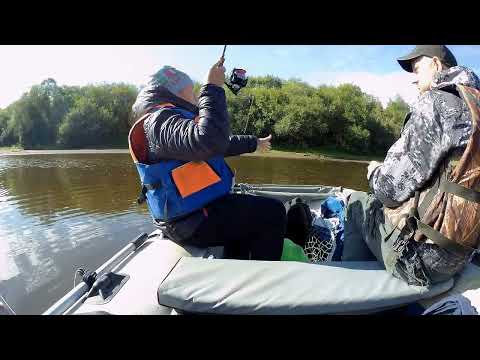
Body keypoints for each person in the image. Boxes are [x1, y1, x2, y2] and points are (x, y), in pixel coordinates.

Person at [342, 45, 480, 286]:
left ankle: (346, 296)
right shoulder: (474, 105)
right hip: (462, 254)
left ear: (436, 65)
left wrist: (375, 172)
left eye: (417, 69)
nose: (414, 79)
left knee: (356, 203)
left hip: (421, 259)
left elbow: (389, 191)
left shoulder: (437, 103)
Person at [128, 57, 286, 261]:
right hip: (189, 222)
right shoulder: (159, 120)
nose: (194, 95)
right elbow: (209, 141)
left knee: (244, 220)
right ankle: (266, 284)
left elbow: (219, 145)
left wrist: (254, 143)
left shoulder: (169, 119)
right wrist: (211, 87)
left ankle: (241, 272)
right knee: (273, 213)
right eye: (190, 90)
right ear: (172, 91)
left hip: (193, 216)